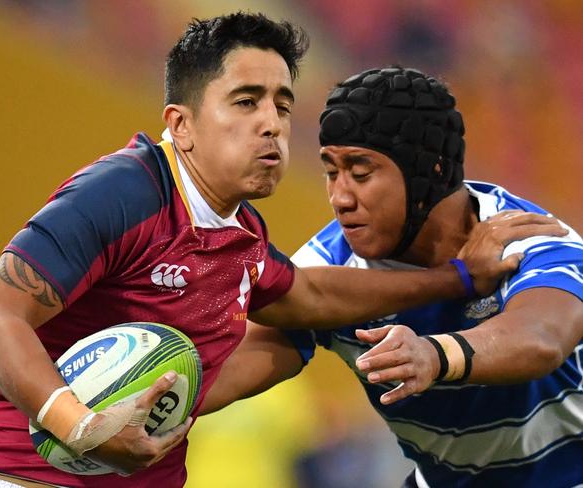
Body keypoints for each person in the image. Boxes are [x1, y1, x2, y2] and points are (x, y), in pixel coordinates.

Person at [0, 14, 563, 487]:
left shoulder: (242, 235)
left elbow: (310, 295)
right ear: (180, 124)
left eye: (282, 104)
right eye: (245, 102)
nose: (272, 123)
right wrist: (82, 427)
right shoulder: (125, 190)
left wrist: (455, 278)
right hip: (15, 477)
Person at [201, 66, 583, 488]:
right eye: (331, 172)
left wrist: (434, 356)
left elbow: (541, 338)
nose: (340, 197)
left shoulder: (523, 238)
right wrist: (144, 404)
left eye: (361, 173)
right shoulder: (327, 270)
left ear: (433, 171)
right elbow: (231, 367)